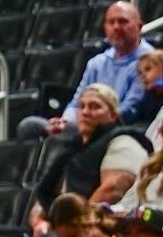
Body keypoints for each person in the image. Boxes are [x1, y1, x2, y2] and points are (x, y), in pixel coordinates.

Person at [27, 1, 156, 139]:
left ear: (139, 27)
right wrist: (65, 121)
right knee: (29, 126)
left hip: (115, 127)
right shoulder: (97, 63)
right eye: (111, 22)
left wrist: (90, 120)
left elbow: (129, 109)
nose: (116, 27)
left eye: (123, 21)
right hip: (84, 122)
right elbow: (76, 101)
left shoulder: (149, 61)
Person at [30, 88, 151, 219]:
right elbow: (47, 195)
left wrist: (78, 224)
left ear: (113, 115)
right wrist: (40, 221)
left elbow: (112, 190)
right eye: (81, 106)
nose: (86, 112)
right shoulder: (71, 149)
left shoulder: (124, 140)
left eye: (95, 107)